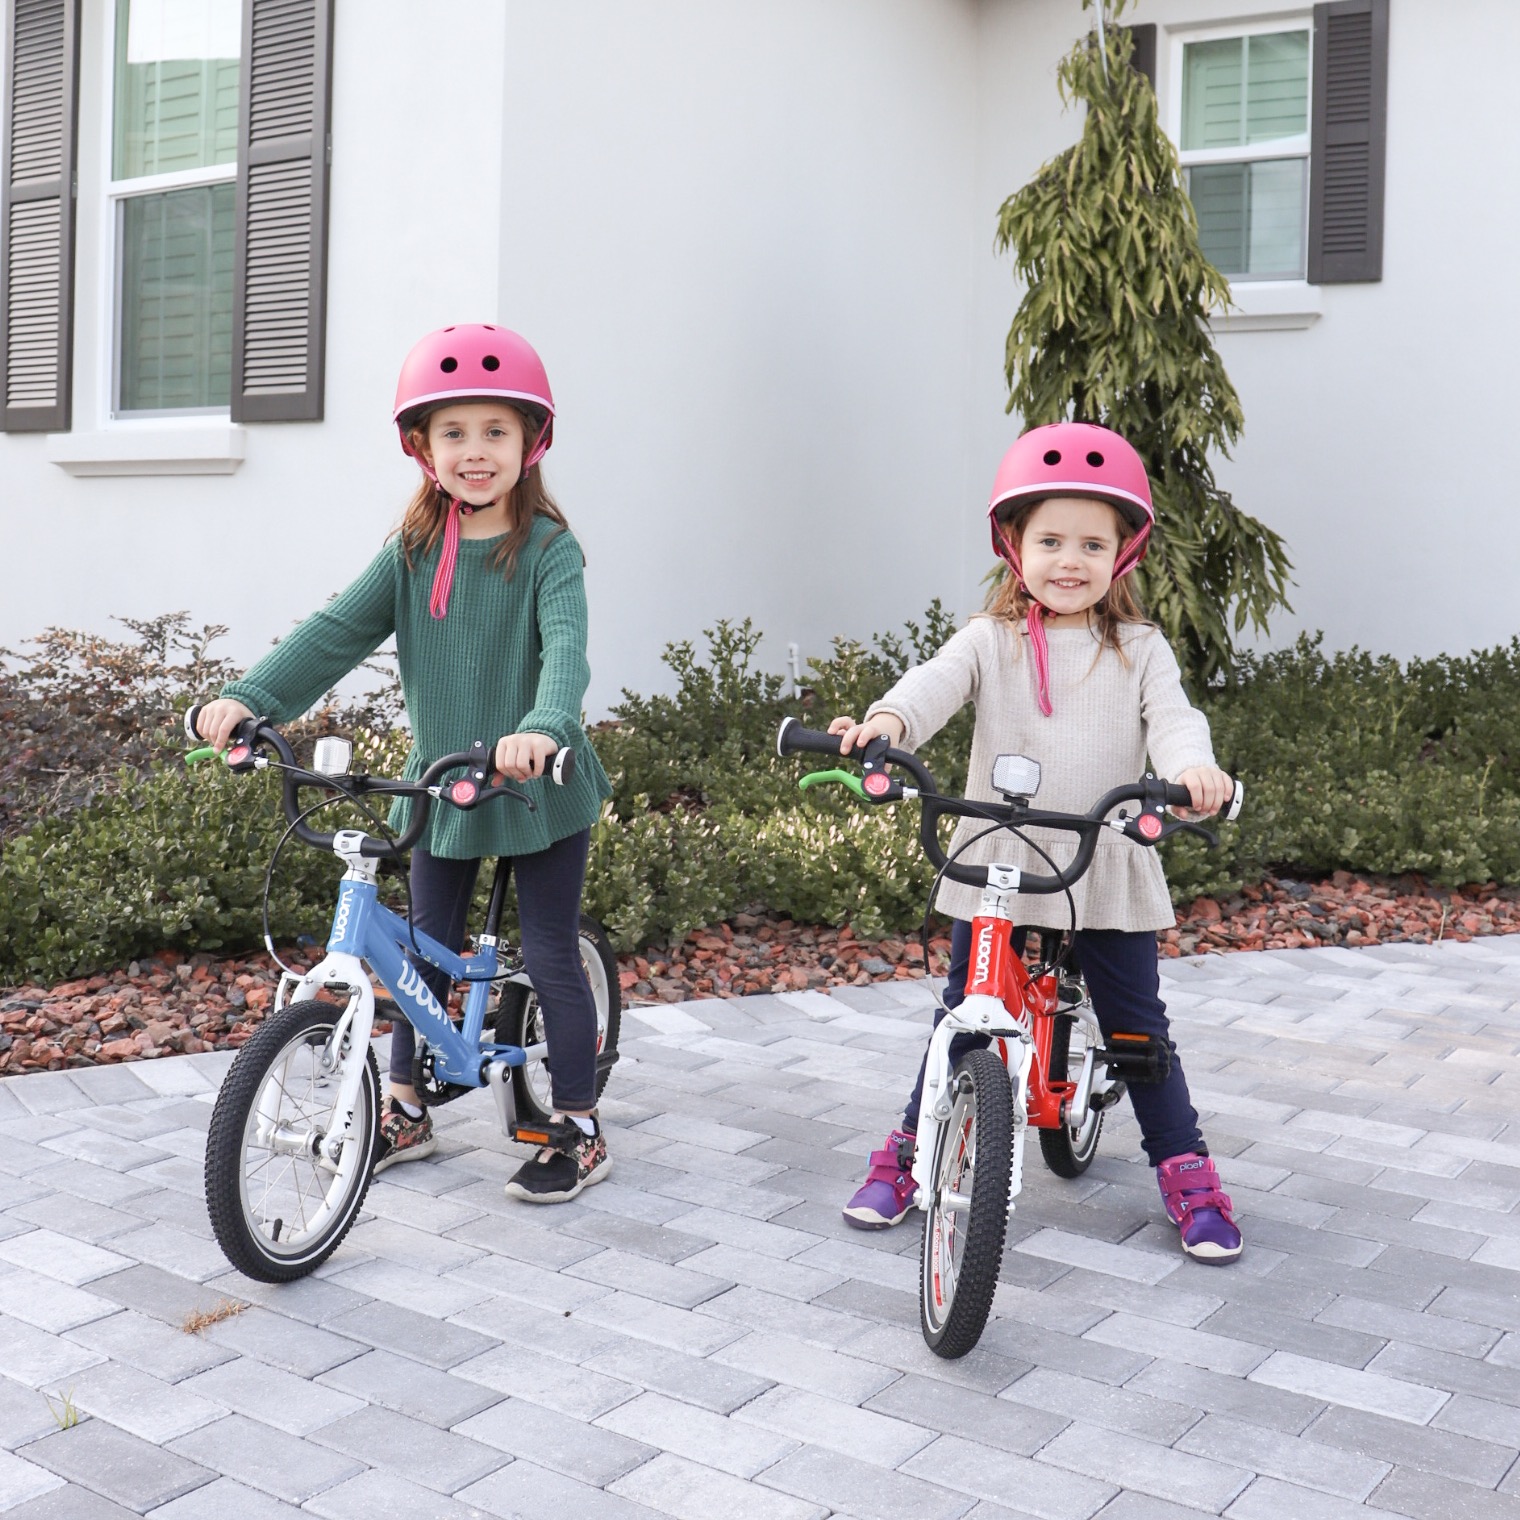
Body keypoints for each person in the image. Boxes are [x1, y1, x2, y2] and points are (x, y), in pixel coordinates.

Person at [190, 324, 615, 1204]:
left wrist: (541, 725)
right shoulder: (413, 553)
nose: (475, 452)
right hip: (443, 787)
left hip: (538, 787)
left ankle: (577, 1121)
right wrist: (248, 698)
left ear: (529, 443)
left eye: (495, 431)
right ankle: (409, 1108)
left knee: (546, 952)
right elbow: (334, 634)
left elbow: (565, 653)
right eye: (454, 433)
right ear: (421, 446)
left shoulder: (549, 552)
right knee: (417, 956)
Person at [831, 421, 1242, 1263]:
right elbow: (933, 683)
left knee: (1136, 1030)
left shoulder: (1139, 650)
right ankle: (909, 1155)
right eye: (1051, 539)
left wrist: (1195, 770)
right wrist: (887, 720)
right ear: (1014, 543)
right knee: (964, 1016)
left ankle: (1186, 1169)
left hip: (1107, 864)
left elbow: (1175, 723)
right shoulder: (990, 640)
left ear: (1123, 554)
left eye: (1092, 543)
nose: (1069, 560)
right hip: (1000, 865)